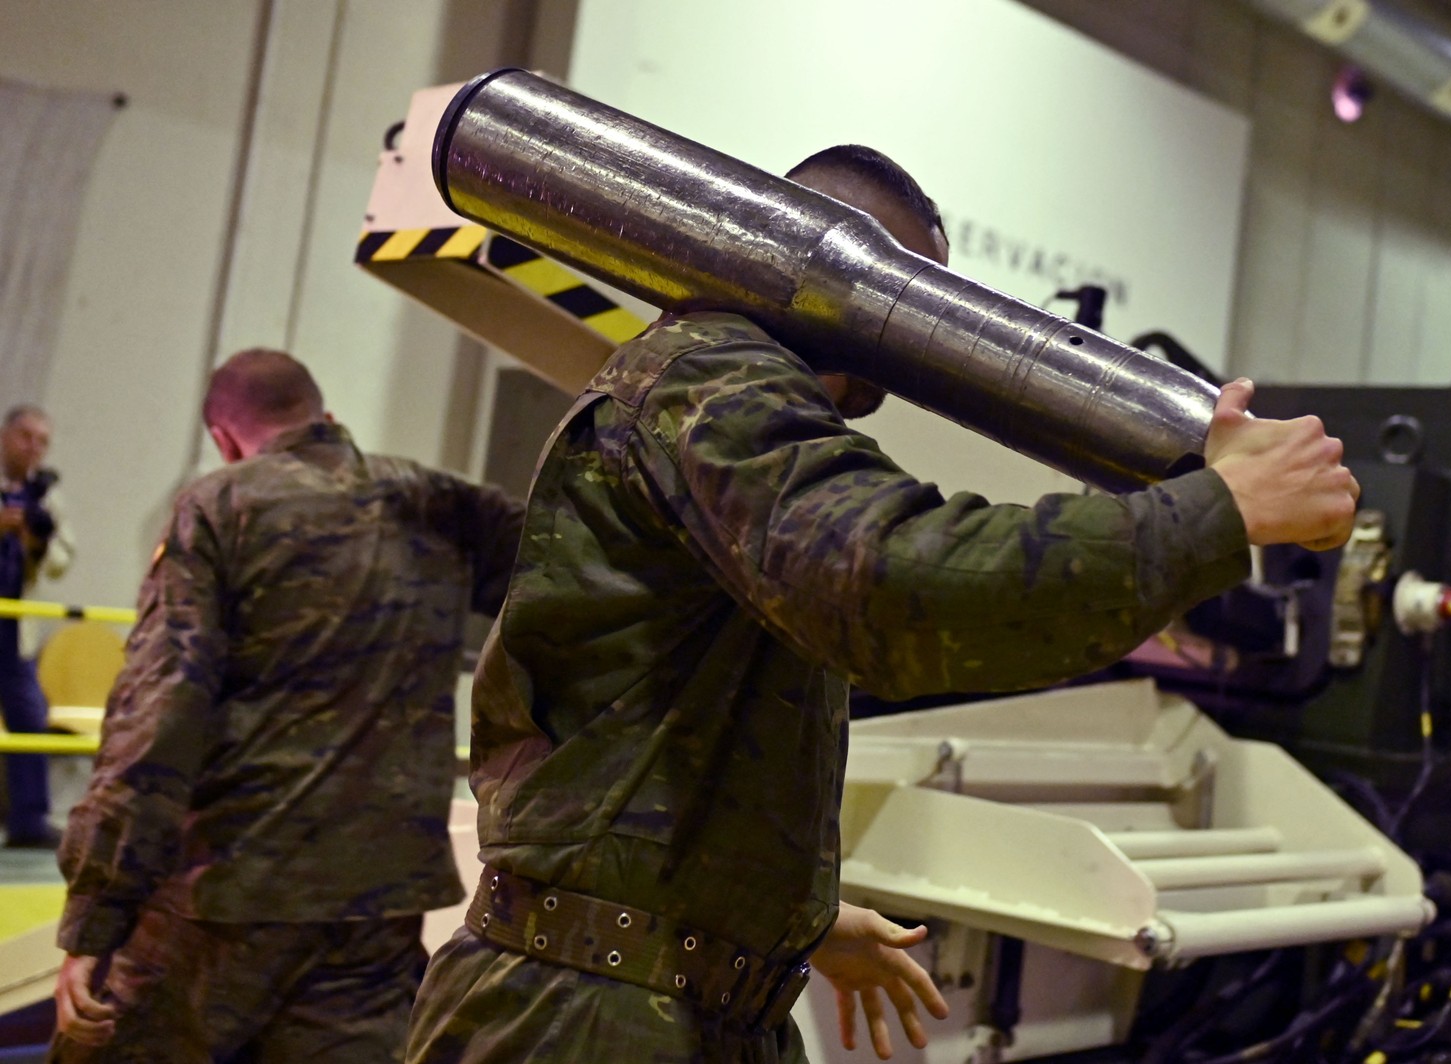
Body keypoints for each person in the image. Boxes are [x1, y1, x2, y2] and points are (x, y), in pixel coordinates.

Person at [405, 145, 1359, 1064]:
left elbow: (669, 718)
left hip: (653, 1000)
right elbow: (898, 588)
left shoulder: (720, 390)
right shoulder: (711, 377)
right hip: (586, 1020)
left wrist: (774, 924)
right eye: (912, 290)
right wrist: (1220, 513)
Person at [50, 349, 525, 1063]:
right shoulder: (437, 501)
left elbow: (160, 716)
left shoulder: (222, 507)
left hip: (228, 895)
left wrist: (96, 915)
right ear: (326, 417)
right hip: (377, 908)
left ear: (223, 437)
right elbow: (572, 577)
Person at [0, 403, 75, 849]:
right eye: (26, 437)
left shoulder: (46, 497)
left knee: (30, 717)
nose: (34, 448)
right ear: (6, 436)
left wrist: (34, 542)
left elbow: (62, 559)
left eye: (43, 441)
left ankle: (30, 820)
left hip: (15, 625)